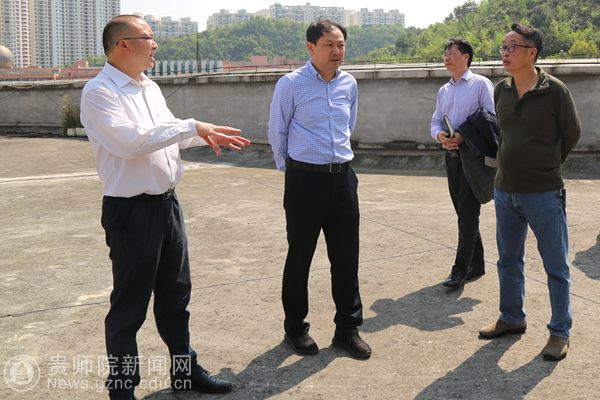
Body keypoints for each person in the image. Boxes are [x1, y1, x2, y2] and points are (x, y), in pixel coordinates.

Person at [80, 15, 251, 399]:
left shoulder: (150, 87)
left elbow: (168, 135)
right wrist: (190, 125)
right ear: (123, 44)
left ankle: (184, 372)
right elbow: (130, 142)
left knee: (176, 297)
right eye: (149, 37)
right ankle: (122, 387)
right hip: (131, 212)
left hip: (167, 206)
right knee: (130, 305)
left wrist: (203, 134)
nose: (155, 45)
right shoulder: (100, 92)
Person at [267, 19, 371, 360]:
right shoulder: (290, 84)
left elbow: (349, 125)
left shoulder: (349, 83)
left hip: (342, 179)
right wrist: (294, 173)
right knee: (300, 256)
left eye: (341, 45)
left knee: (346, 257)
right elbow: (277, 133)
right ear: (311, 48)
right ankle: (296, 328)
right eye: (329, 45)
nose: (336, 51)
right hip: (304, 181)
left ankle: (347, 329)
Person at [478, 23, 580, 362]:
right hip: (505, 190)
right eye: (503, 46)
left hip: (543, 192)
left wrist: (546, 166)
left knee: (556, 265)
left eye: (512, 47)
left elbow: (571, 134)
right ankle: (511, 317)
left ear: (531, 53)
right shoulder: (501, 90)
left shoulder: (555, 91)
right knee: (508, 260)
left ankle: (559, 331)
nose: (505, 52)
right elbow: (504, 135)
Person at [430, 38, 495, 289]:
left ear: (466, 57)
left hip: (473, 157)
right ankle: (477, 264)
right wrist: (441, 136)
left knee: (468, 213)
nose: (446, 57)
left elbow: (491, 117)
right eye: (445, 53)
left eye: (452, 53)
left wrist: (463, 135)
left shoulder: (480, 84)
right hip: (452, 157)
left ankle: (460, 271)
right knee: (463, 212)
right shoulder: (444, 90)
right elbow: (435, 120)